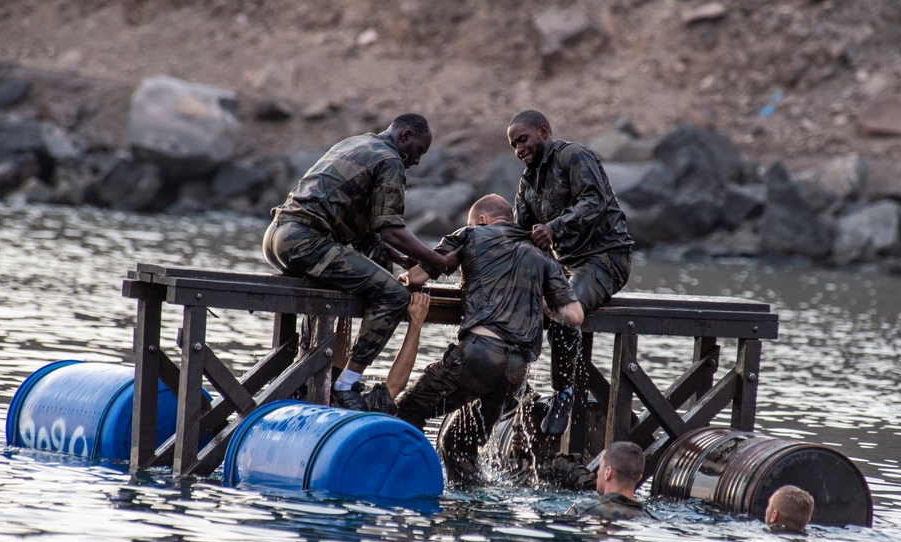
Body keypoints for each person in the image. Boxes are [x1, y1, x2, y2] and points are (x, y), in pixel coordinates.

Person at [262, 113, 458, 412]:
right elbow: (390, 228)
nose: (417, 161)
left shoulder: (358, 143)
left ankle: (324, 364)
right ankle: (346, 382)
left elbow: (364, 226)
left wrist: (401, 259)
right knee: (394, 296)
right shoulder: (391, 159)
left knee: (379, 267)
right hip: (306, 243)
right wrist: (438, 260)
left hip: (277, 236)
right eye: (419, 151)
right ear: (406, 136)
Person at [395, 194, 584, 485]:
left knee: (406, 414)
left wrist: (403, 280)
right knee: (458, 444)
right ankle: (472, 506)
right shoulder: (541, 252)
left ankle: (401, 485)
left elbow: (419, 275)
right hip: (516, 371)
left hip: (478, 356)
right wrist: (537, 303)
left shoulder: (470, 234)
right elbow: (574, 315)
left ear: (481, 221)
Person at [507, 110, 635, 436]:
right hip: (564, 267)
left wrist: (554, 226)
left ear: (543, 131)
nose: (519, 149)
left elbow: (596, 200)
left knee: (565, 311)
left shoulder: (571, 155)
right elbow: (518, 235)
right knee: (516, 302)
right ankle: (515, 386)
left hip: (606, 258)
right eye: (513, 145)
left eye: (523, 139)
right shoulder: (526, 183)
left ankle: (564, 393)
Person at [565, 440, 648, 519]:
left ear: (608, 472)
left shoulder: (582, 511)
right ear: (639, 478)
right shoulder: (650, 518)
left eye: (600, 467)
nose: (598, 472)